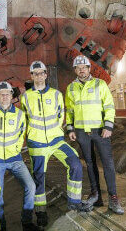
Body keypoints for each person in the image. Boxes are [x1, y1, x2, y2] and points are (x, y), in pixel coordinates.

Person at [21, 61, 91, 227]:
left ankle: (74, 202)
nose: (38, 76)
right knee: (39, 177)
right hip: (36, 143)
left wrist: (55, 132)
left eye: (41, 73)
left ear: (46, 75)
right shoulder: (26, 97)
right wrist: (31, 136)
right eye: (35, 73)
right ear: (31, 76)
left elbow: (61, 116)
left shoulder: (56, 94)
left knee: (75, 164)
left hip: (56, 140)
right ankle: (41, 212)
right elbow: (24, 120)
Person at [66, 55, 124, 214]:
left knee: (107, 164)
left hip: (100, 131)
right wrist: (70, 129)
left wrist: (108, 126)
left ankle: (113, 198)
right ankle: (96, 195)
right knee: (90, 164)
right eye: (78, 68)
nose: (81, 70)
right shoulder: (71, 88)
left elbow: (109, 106)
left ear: (89, 68)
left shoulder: (100, 84)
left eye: (84, 67)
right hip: (81, 132)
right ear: (75, 70)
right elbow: (69, 111)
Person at [0, 82, 40, 231]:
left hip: (15, 159)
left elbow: (20, 134)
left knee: (30, 186)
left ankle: (27, 221)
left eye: (7, 94)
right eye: (2, 94)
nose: (5, 97)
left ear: (12, 96)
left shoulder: (19, 114)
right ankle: (1, 224)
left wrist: (16, 149)